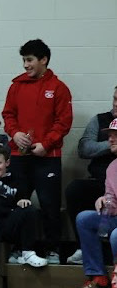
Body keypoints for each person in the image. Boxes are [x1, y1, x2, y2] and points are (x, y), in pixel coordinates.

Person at [3, 39, 73, 258]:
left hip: (48, 157)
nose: (25, 65)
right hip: (18, 155)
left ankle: (53, 249)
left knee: (50, 205)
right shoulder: (16, 86)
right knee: (18, 203)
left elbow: (64, 122)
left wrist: (47, 144)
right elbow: (8, 114)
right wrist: (14, 133)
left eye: (30, 60)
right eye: (24, 60)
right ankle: (19, 249)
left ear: (43, 60)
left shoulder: (59, 88)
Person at [66, 119, 117, 288]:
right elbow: (112, 198)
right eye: (110, 135)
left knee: (116, 234)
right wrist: (104, 200)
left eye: (115, 135)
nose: (110, 139)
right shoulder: (112, 167)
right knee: (84, 218)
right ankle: (98, 279)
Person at [65, 87, 117, 252]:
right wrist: (111, 144)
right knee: (75, 190)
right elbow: (84, 148)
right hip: (101, 180)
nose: (116, 104)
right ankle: (85, 248)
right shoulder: (100, 120)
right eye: (115, 99)